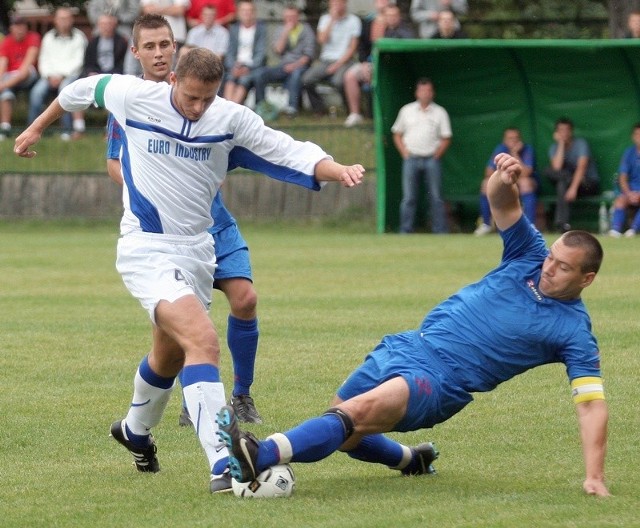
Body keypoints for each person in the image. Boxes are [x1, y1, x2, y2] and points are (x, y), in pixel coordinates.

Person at [15, 47, 365, 494]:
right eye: (191, 97)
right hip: (146, 248)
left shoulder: (230, 117)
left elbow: (286, 149)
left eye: (207, 99)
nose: (198, 108)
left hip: (199, 252)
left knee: (170, 354)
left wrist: (339, 169)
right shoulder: (136, 96)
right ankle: (224, 462)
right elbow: (81, 90)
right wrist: (34, 128)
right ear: (175, 79)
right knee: (202, 340)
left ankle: (134, 430)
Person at [216, 152, 610, 499]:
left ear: (586, 278)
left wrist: (594, 475)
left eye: (563, 267)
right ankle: (411, 460)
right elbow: (502, 204)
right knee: (346, 432)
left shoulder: (573, 331)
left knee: (353, 413)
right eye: (552, 257)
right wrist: (502, 177)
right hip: (408, 345)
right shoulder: (529, 254)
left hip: (441, 381)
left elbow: (592, 406)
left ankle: (257, 454)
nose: (549, 268)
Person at [105, 13, 264, 428]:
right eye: (151, 46)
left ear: (176, 48)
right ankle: (193, 399)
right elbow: (113, 164)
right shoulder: (127, 99)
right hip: (161, 233)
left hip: (212, 222)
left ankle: (242, 395)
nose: (159, 53)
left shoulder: (204, 93)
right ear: (136, 52)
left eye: (165, 44)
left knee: (245, 299)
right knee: (183, 331)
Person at [392, 77, 452, 234]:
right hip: (411, 158)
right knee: (409, 198)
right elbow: (397, 133)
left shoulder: (440, 112)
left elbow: (446, 137)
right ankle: (405, 231)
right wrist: (404, 152)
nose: (425, 93)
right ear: (417, 93)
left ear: (432, 93)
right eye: (422, 90)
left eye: (428, 91)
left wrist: (437, 155)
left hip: (431, 159)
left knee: (436, 197)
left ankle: (440, 231)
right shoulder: (406, 110)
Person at [27, 7, 87, 141]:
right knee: (36, 92)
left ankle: (66, 130)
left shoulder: (79, 37)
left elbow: (78, 61)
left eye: (66, 18)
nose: (64, 21)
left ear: (71, 20)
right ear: (55, 20)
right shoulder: (48, 37)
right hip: (49, 76)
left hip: (69, 76)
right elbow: (43, 60)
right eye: (61, 18)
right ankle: (31, 130)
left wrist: (61, 76)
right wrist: (49, 76)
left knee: (65, 91)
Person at [252, 4, 315, 119]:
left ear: (298, 17)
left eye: (293, 16)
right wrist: (285, 33)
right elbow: (278, 50)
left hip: (300, 66)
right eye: (287, 17)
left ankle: (292, 109)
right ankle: (261, 106)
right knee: (259, 74)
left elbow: (308, 56)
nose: (290, 19)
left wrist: (294, 65)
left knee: (295, 75)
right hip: (283, 66)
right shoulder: (280, 29)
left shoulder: (306, 30)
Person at [301, 0, 361, 116]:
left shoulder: (354, 20)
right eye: (333, 4)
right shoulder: (325, 19)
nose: (336, 6)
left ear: (345, 4)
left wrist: (337, 65)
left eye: (338, 3)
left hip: (345, 61)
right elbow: (321, 40)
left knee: (338, 81)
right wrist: (332, 21)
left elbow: (352, 48)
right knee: (306, 79)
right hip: (326, 60)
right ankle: (319, 109)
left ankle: (349, 110)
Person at [475, 127, 536, 235]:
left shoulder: (527, 149)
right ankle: (486, 224)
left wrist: (514, 153)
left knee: (526, 183)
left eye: (516, 138)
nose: (514, 141)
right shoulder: (500, 149)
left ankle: (530, 226)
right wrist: (503, 176)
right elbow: (488, 172)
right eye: (510, 138)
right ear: (504, 140)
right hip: (507, 180)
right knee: (485, 184)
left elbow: (526, 173)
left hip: (524, 182)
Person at [544, 117, 599, 233]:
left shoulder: (581, 144)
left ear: (571, 131)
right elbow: (557, 168)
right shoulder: (555, 147)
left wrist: (573, 188)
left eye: (566, 130)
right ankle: (563, 225)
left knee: (562, 183)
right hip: (567, 183)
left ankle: (561, 224)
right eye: (561, 130)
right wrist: (561, 144)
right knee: (550, 172)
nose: (564, 133)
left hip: (587, 183)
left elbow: (581, 168)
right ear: (556, 133)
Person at [342, 0, 388, 128]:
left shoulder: (394, 20)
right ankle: (355, 114)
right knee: (350, 76)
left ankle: (383, 115)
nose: (382, 3)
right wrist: (363, 63)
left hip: (388, 64)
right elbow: (362, 46)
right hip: (369, 62)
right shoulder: (368, 21)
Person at [0, 15, 40, 140]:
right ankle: (5, 127)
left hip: (30, 77)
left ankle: (31, 128)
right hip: (10, 77)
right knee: (5, 94)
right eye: (17, 26)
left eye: (22, 26)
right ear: (11, 27)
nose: (20, 29)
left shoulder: (33, 37)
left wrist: (3, 85)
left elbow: (24, 71)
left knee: (27, 72)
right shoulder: (7, 41)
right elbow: (2, 64)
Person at [222, 0, 267, 104]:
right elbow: (230, 52)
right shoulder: (234, 29)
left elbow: (261, 53)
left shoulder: (260, 29)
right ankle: (227, 108)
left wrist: (247, 67)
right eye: (244, 10)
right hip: (235, 66)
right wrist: (233, 66)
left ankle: (233, 110)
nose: (247, 13)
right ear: (239, 13)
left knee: (244, 80)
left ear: (254, 13)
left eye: (249, 10)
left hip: (252, 67)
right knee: (230, 78)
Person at [86, 0, 142, 75]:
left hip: (124, 27)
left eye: (109, 24)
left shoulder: (124, 41)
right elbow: (92, 15)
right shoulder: (93, 42)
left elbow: (134, 13)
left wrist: (117, 18)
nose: (107, 27)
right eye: (104, 24)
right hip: (96, 72)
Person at [608, 123, 640, 238]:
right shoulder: (628, 153)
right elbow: (622, 177)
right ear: (633, 136)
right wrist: (629, 193)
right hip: (631, 191)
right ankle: (615, 230)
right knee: (620, 200)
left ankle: (633, 230)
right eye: (637, 134)